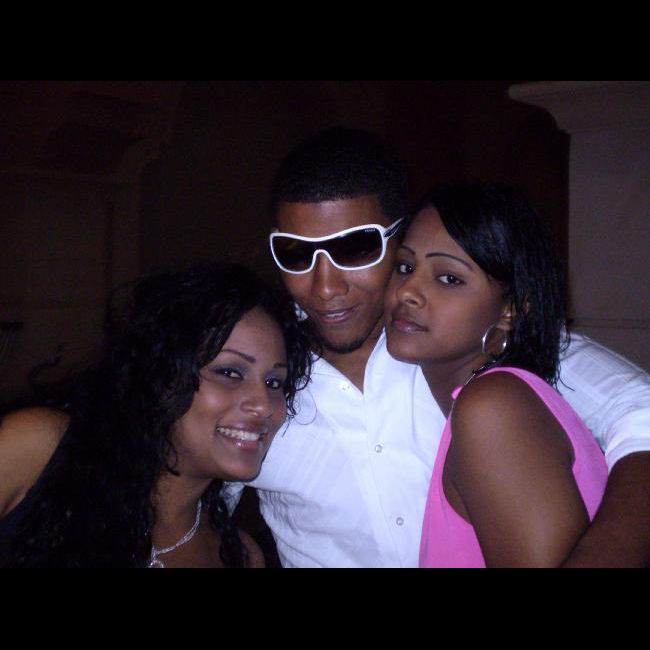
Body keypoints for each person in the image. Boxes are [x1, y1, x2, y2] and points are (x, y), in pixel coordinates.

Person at [224, 125, 650, 568]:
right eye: (296, 253)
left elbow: (642, 411)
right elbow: (193, 489)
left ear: (400, 238)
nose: (325, 287)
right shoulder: (250, 364)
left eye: (355, 249)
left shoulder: (467, 340)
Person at [0, 263, 311, 568]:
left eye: (274, 383)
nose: (264, 405)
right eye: (230, 372)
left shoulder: (239, 556)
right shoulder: (38, 450)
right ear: (160, 374)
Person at [384, 182, 608, 566]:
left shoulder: (494, 408)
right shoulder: (493, 402)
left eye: (448, 278)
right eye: (405, 267)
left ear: (510, 310)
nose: (407, 291)